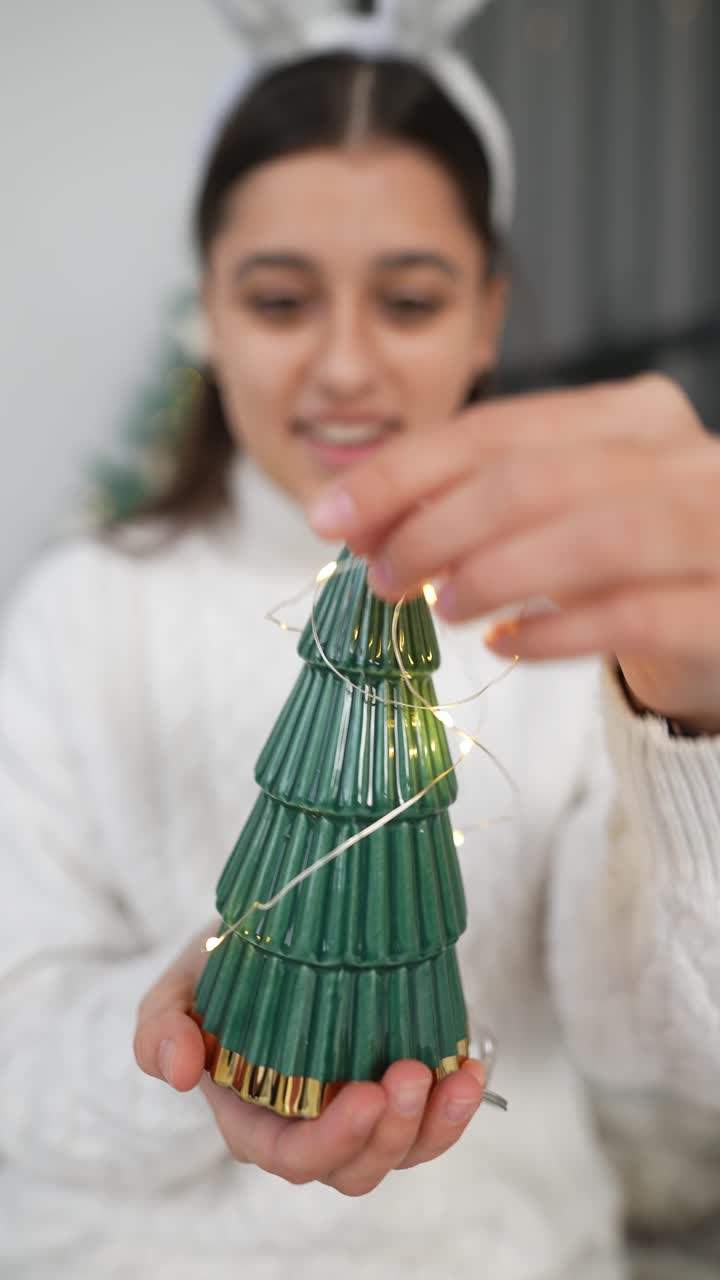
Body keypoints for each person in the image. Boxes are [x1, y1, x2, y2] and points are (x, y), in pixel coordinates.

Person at [2, 5, 720, 1279]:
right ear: (208, 314)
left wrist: (698, 726)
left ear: (487, 316)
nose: (344, 363)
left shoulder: (561, 624)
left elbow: (665, 1038)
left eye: (409, 296)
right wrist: (214, 1019)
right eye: (280, 299)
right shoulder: (80, 611)